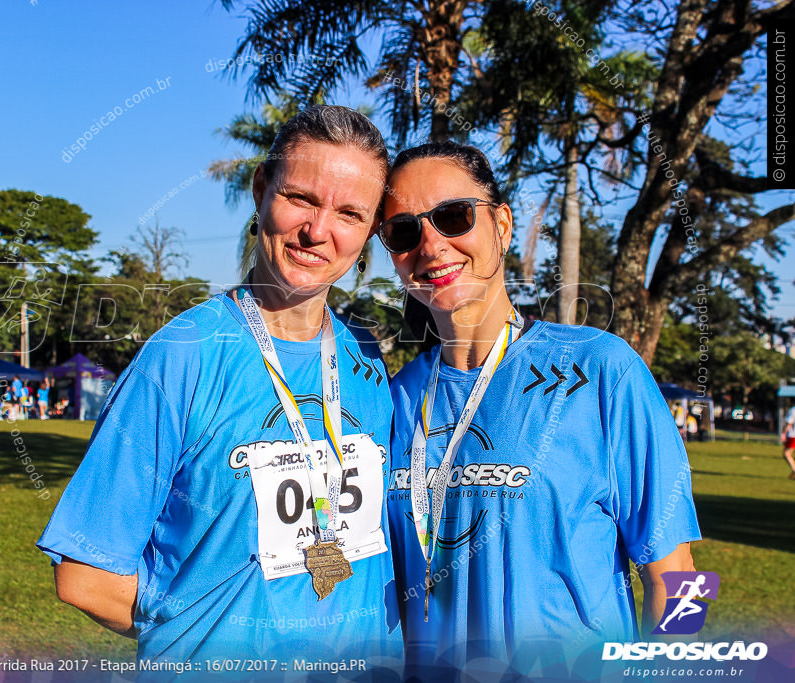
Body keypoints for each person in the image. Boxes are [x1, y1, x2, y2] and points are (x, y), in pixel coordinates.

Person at [37, 105, 403, 671]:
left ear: (370, 231)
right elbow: (86, 577)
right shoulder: (184, 356)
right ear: (261, 190)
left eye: (350, 213)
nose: (318, 230)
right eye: (301, 198)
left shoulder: (366, 357)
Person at [380, 143, 701, 678]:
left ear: (502, 225)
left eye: (454, 216)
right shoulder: (394, 399)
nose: (432, 244)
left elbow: (679, 575)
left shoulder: (599, 369)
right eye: (404, 231)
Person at [782, 404, 795, 480]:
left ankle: (794, 469)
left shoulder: (793, 410)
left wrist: (783, 433)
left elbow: (789, 423)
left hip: (793, 435)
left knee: (786, 453)